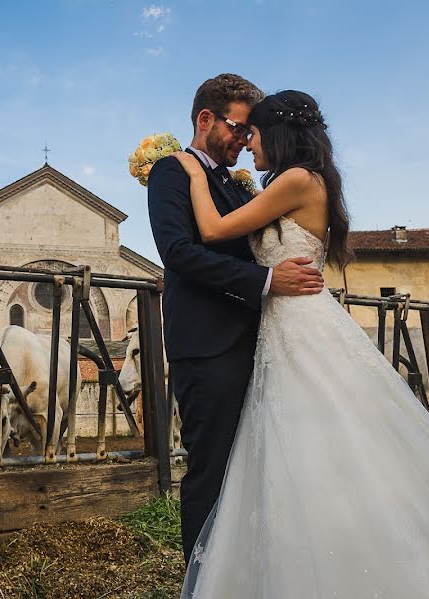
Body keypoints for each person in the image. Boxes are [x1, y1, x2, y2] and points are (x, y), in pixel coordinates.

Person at [172, 89, 429, 597]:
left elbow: (214, 230)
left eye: (254, 134)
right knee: (308, 446)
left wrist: (194, 173)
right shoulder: (305, 180)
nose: (249, 145)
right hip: (285, 325)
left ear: (277, 135)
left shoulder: (296, 180)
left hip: (298, 327)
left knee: (314, 444)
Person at [147, 74, 324, 565]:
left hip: (255, 341)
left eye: (251, 134)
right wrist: (267, 282)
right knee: (213, 468)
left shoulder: (233, 183)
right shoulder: (172, 172)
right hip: (208, 346)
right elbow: (178, 251)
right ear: (206, 119)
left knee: (253, 464)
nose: (246, 142)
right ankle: (203, 580)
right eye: (239, 129)